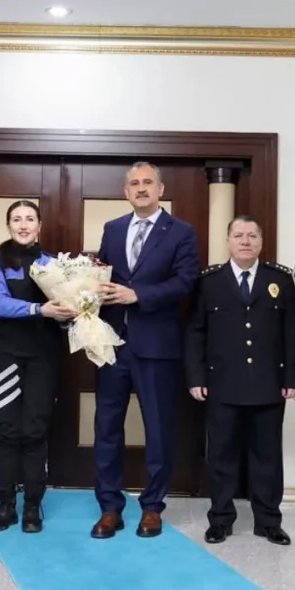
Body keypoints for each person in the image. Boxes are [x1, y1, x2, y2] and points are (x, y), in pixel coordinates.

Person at [91, 161, 199, 539]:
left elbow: (185, 282)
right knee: (106, 428)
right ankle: (110, 507)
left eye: (147, 182)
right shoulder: (113, 229)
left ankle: (152, 507)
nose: (141, 188)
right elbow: (103, 274)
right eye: (134, 183)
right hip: (112, 345)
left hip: (157, 347)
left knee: (158, 430)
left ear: (160, 189)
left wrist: (137, 295)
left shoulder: (181, 232)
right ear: (126, 191)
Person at [185, 215, 295, 546]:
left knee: (267, 457)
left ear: (261, 242)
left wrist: (290, 376)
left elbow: (291, 332)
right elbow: (195, 332)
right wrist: (196, 376)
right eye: (239, 235)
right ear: (228, 241)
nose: (245, 241)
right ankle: (220, 519)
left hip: (268, 383)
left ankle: (269, 521)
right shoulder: (209, 282)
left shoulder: (280, 280)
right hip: (222, 384)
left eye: (252, 236)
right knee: (221, 456)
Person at [0, 200, 74, 533]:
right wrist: (40, 310)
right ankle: (5, 503)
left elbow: (65, 309)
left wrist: (71, 314)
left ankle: (33, 504)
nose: (23, 225)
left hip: (43, 358)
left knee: (35, 429)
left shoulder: (53, 265)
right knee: (8, 430)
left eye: (29, 219)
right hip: (6, 357)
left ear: (39, 225)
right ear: (8, 226)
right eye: (16, 219)